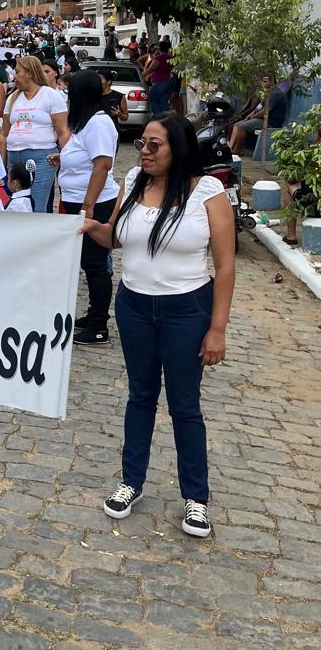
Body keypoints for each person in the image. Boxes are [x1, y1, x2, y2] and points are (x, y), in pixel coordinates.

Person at [80, 114, 235, 539]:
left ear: (178, 149)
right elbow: (117, 237)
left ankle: (196, 500)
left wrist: (216, 328)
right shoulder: (133, 181)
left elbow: (224, 267)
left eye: (154, 145)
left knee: (184, 405)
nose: (144, 151)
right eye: (143, 143)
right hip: (134, 307)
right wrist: (95, 229)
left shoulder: (208, 193)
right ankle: (131, 482)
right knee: (140, 396)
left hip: (187, 310)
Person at [50, 71, 120, 345]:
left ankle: (99, 325)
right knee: (85, 262)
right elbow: (84, 156)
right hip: (74, 200)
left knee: (95, 264)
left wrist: (88, 206)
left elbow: (102, 165)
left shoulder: (100, 124)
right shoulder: (84, 124)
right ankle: (92, 314)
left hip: (94, 203)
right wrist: (63, 160)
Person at [0, 56, 69, 213]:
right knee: (15, 204)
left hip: (42, 157)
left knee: (37, 205)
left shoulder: (51, 96)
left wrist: (66, 160)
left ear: (29, 73)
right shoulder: (12, 98)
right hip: (14, 156)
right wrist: (0, 165)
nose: (13, 76)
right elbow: (4, 134)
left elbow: (63, 132)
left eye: (17, 72)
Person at [229, 76, 288, 154]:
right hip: (262, 119)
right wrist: (250, 115)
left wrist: (252, 117)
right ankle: (230, 148)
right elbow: (258, 107)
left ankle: (236, 150)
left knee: (241, 127)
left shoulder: (276, 94)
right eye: (262, 81)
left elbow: (265, 111)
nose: (263, 83)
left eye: (265, 81)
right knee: (236, 125)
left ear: (271, 82)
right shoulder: (268, 93)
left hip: (270, 122)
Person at [145, 39, 176, 115]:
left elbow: (150, 69)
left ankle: (158, 117)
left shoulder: (159, 59)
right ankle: (165, 118)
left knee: (153, 98)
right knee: (163, 101)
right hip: (169, 82)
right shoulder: (172, 59)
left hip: (158, 82)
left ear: (159, 48)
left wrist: (141, 74)